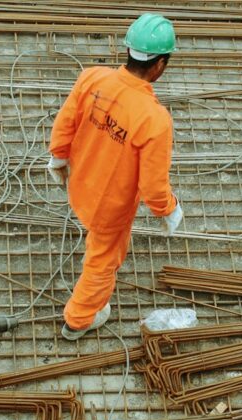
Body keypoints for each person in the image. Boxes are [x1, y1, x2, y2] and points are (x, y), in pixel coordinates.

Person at [46, 13, 184, 341]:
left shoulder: (92, 78)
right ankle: (78, 319)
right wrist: (169, 209)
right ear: (160, 65)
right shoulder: (155, 120)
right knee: (103, 261)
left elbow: (65, 121)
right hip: (109, 207)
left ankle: (83, 311)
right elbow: (153, 187)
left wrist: (58, 157)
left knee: (98, 245)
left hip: (79, 184)